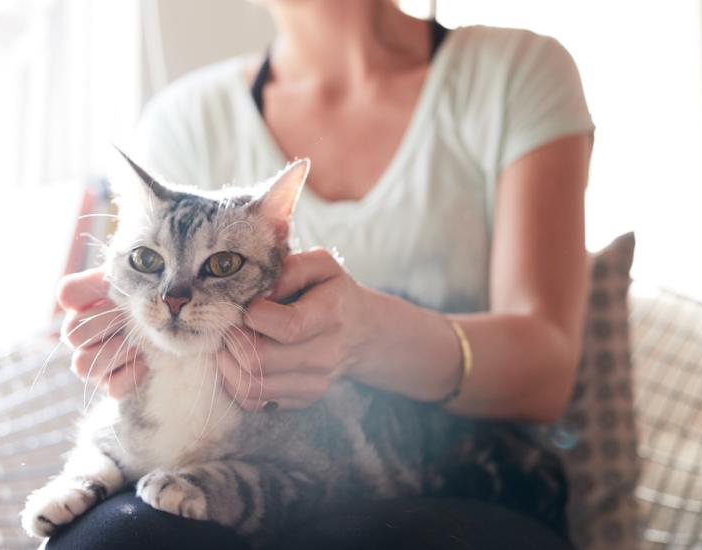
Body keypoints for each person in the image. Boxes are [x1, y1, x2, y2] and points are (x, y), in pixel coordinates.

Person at [50, 0, 593, 548]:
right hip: (221, 453)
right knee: (112, 539)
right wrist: (116, 340)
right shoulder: (183, 117)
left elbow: (547, 374)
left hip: (462, 468)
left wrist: (367, 338)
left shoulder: (514, 71)